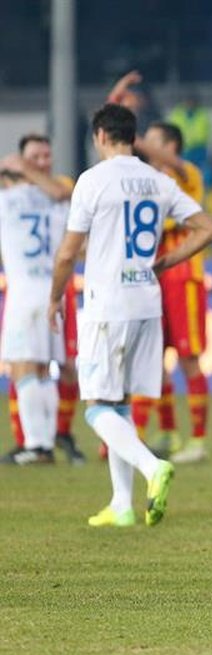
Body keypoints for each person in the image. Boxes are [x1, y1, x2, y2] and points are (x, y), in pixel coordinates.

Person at [47, 103, 212, 527]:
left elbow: (68, 251)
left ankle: (150, 467)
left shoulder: (93, 180)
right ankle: (121, 504)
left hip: (109, 305)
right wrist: (166, 262)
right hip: (147, 302)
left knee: (96, 407)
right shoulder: (157, 180)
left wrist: (53, 298)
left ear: (100, 136)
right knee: (119, 404)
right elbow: (207, 229)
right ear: (131, 135)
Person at [0, 134, 86, 465]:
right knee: (44, 368)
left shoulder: (9, 199)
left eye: (45, 156)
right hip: (52, 292)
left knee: (24, 367)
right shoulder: (60, 200)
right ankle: (45, 440)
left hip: (24, 292)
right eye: (34, 157)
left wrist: (16, 167)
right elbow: (62, 192)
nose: (41, 162)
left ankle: (37, 446)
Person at [128, 122, 211, 464]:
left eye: (154, 141)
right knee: (154, 359)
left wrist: (130, 137)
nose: (147, 146)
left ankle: (198, 440)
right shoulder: (146, 181)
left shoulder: (186, 174)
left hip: (184, 278)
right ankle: (168, 431)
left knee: (189, 359)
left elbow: (173, 164)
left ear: (172, 146)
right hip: (153, 278)